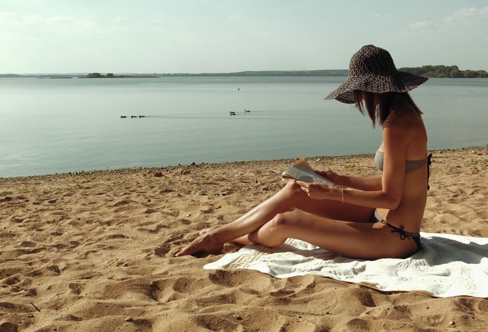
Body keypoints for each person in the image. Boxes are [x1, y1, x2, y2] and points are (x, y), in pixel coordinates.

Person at [173, 45, 430, 259]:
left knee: (284, 222)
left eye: (359, 91)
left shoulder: (396, 125)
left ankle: (220, 237)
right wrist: (339, 178)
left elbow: (391, 199)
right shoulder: (403, 115)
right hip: (377, 217)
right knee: (294, 190)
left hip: (394, 235)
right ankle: (219, 235)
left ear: (370, 87)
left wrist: (332, 192)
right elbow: (397, 182)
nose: (360, 98)